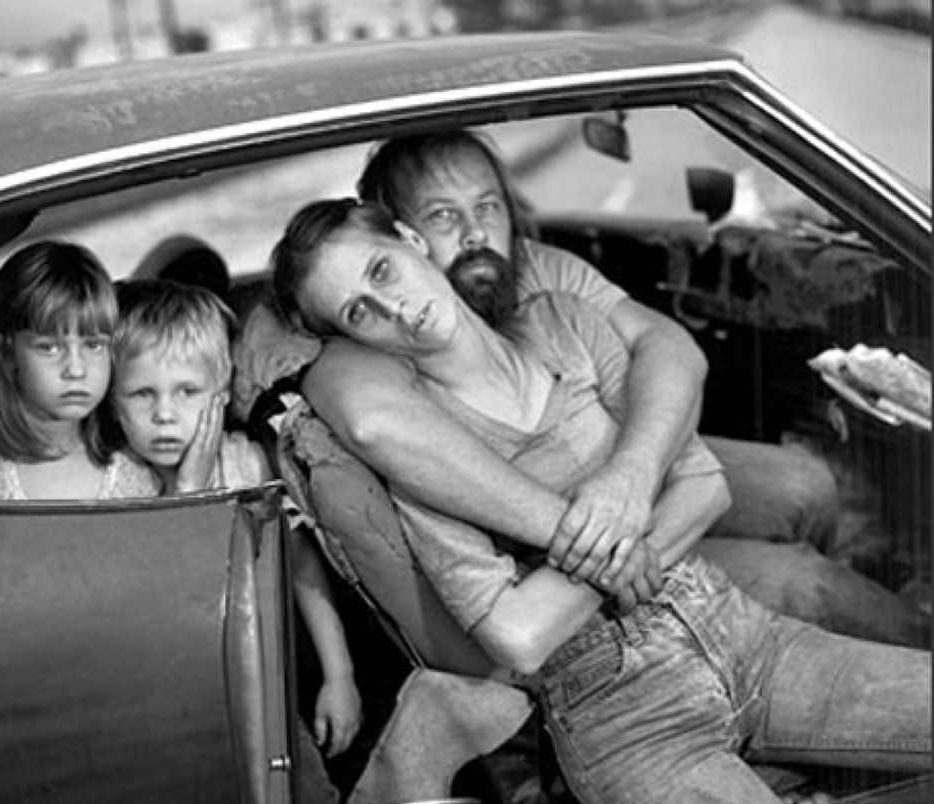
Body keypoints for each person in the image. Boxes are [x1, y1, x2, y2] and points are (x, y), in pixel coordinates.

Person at [270, 198, 931, 804]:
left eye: (382, 270)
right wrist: (622, 553)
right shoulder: (422, 460)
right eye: (360, 312)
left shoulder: (563, 322)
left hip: (737, 626)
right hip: (619, 712)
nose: (393, 307)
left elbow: (706, 486)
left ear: (412, 240)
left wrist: (621, 497)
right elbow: (518, 635)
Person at [297, 129, 931, 648]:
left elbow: (670, 348)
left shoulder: (539, 270)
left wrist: (632, 474)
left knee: (807, 485)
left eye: (488, 207)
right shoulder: (375, 330)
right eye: (443, 216)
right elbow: (367, 418)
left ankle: (829, 632)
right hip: (559, 561)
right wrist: (604, 539)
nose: (475, 234)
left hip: (629, 474)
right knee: (803, 584)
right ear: (403, 233)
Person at [107, 279, 362, 804]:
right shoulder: (115, 483)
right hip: (163, 710)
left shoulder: (249, 465)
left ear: (221, 394)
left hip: (263, 691)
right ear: (112, 401)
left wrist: (339, 675)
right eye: (141, 394)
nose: (164, 414)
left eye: (187, 392)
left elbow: (300, 565)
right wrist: (187, 494)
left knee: (307, 803)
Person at [0, 240, 159, 501]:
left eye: (94, 345)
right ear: (5, 351)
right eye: (49, 348)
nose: (76, 370)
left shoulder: (139, 457)